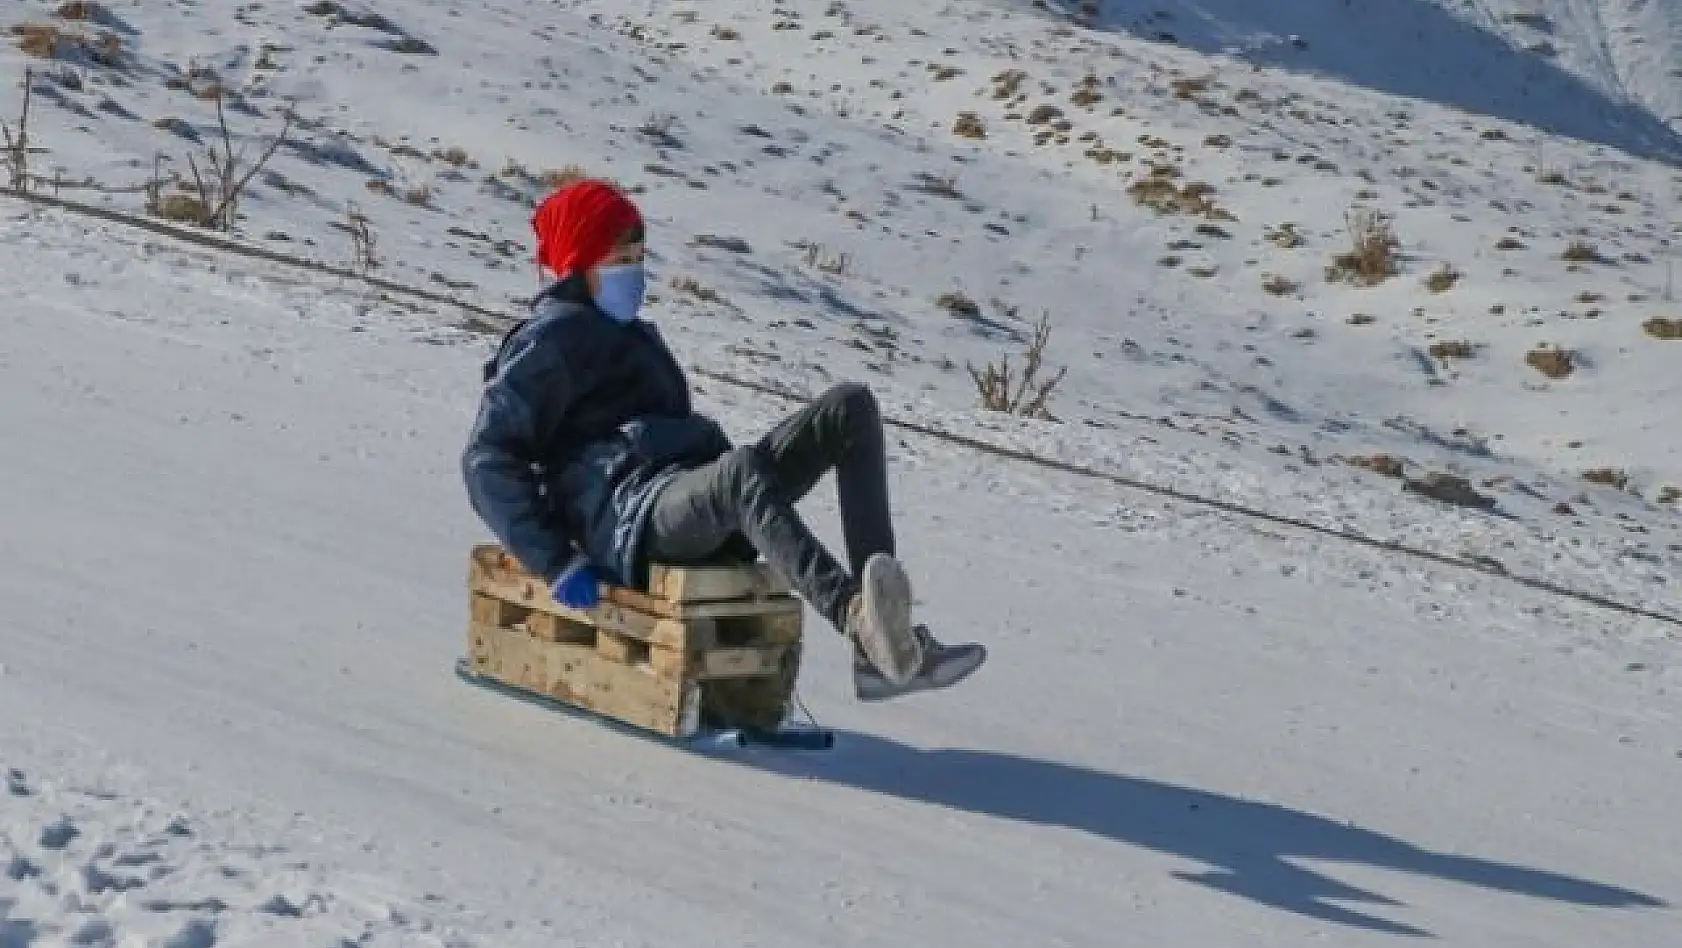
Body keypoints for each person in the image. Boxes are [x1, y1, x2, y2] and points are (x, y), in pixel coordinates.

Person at [461, 178, 985, 701]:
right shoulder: (549, 341)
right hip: (631, 521)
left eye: (640, 257)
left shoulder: (635, 337)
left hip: (687, 497)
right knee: (739, 476)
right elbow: (487, 459)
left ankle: (883, 641)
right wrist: (556, 560)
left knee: (850, 409)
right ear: (582, 263)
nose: (636, 273)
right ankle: (854, 616)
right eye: (622, 259)